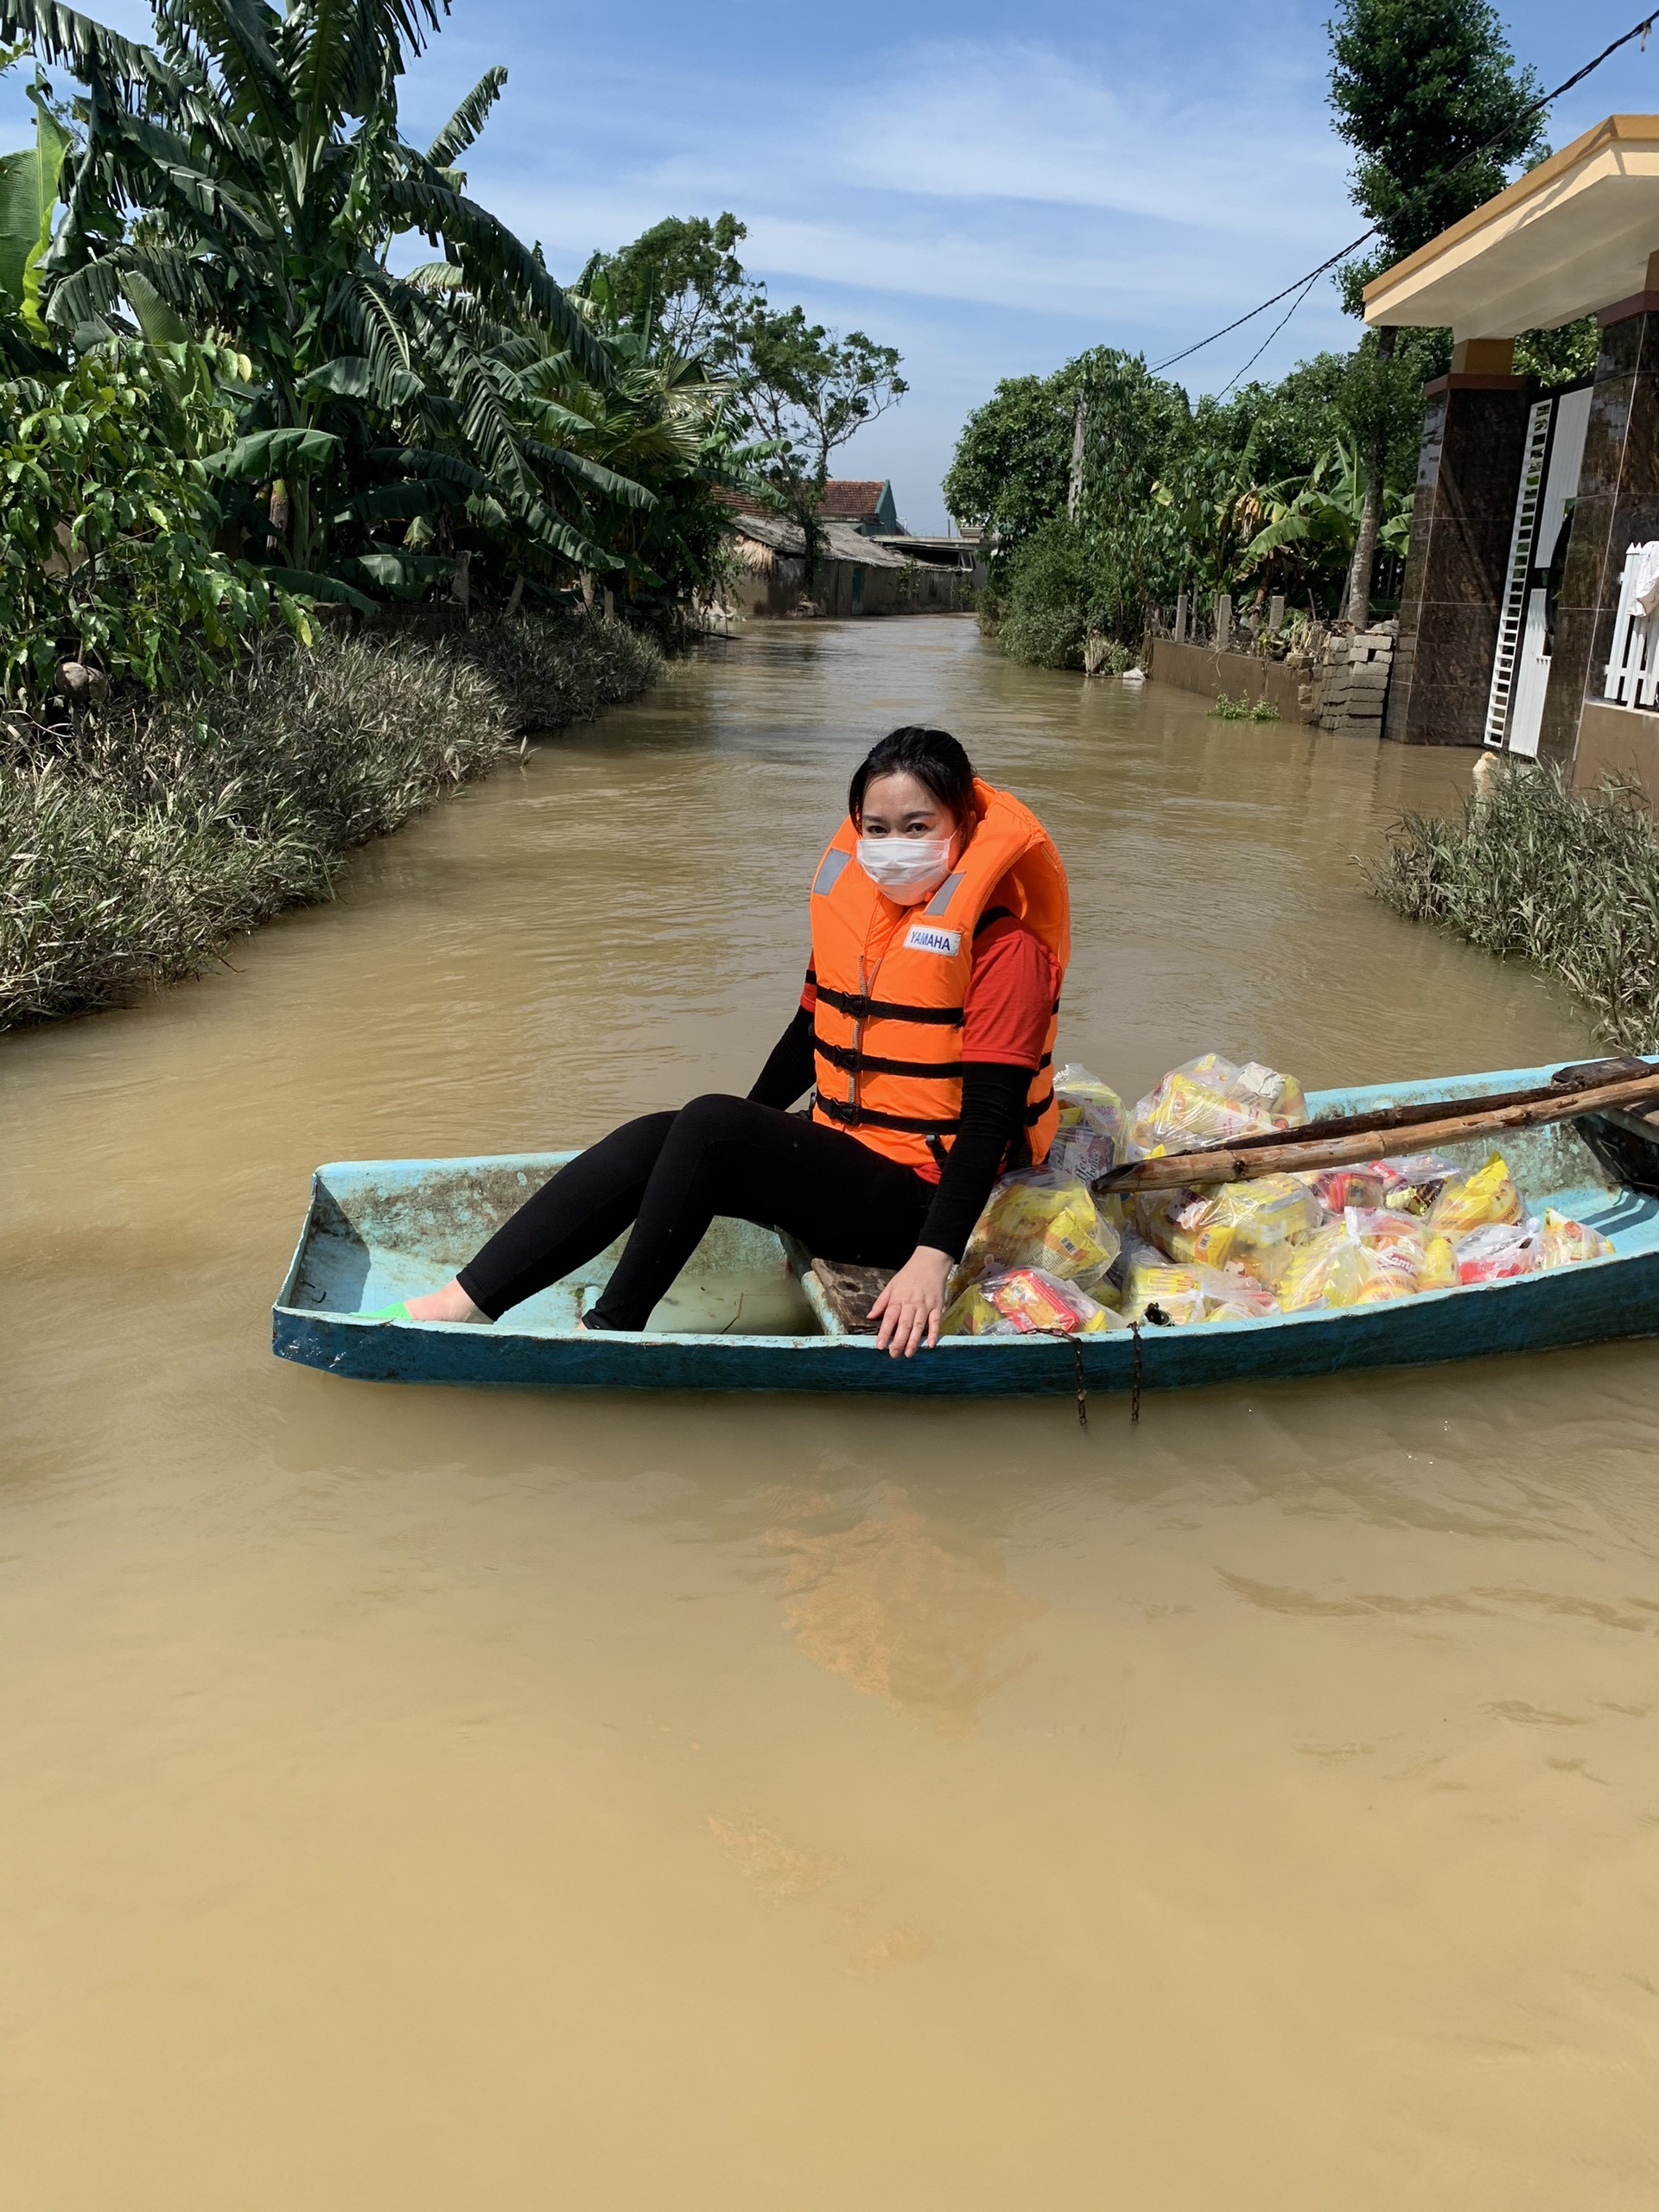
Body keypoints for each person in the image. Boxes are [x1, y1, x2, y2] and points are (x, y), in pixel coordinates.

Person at [397, 726, 1071, 1357]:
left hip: (927, 1197)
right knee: (668, 1132)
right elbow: (809, 1035)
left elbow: (989, 1121)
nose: (894, 845)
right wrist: (728, 1140)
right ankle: (465, 1301)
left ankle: (609, 1329)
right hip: (856, 1160)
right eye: (877, 828)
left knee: (712, 1125)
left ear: (964, 828)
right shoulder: (868, 922)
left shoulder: (1002, 947)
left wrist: (931, 1258)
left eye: (918, 826)